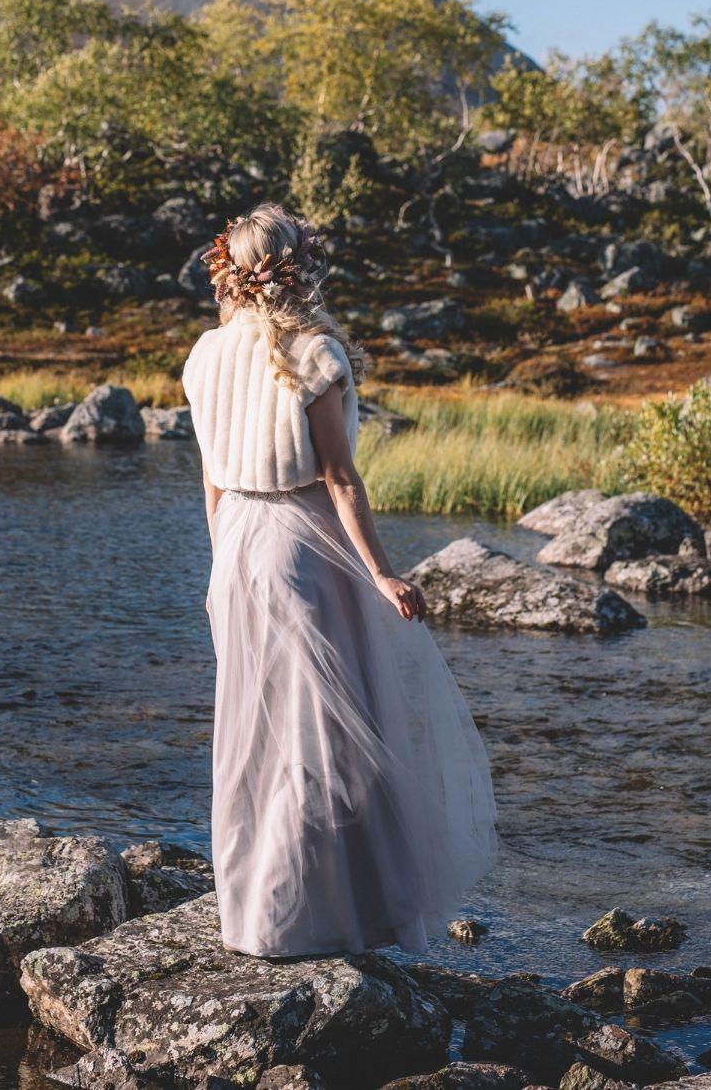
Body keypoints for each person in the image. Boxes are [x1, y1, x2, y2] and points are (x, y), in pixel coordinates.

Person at [182, 203, 497, 958]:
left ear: (235, 271)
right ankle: (334, 918)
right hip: (306, 548)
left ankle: (258, 914)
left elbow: (212, 481)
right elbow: (339, 478)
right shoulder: (314, 352)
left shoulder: (204, 355)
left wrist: (219, 561)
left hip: (237, 550)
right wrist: (383, 572)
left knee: (254, 739)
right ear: (297, 266)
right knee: (324, 740)